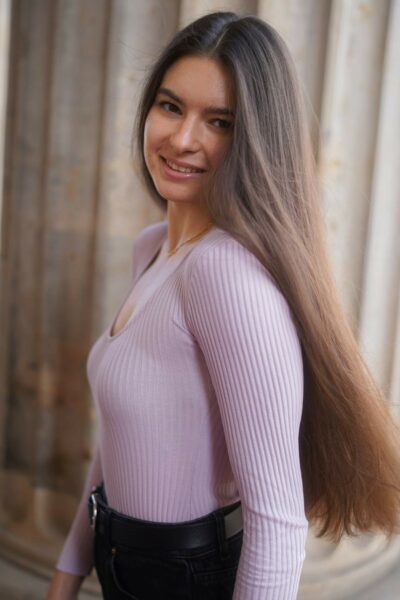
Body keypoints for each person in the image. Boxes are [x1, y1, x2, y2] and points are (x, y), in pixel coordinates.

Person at [46, 10, 400, 600]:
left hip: (186, 580)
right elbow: (117, 437)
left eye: (220, 122)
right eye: (170, 106)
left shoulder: (224, 276)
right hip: (123, 560)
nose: (182, 139)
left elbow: (277, 520)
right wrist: (67, 572)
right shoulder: (153, 249)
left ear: (256, 140)